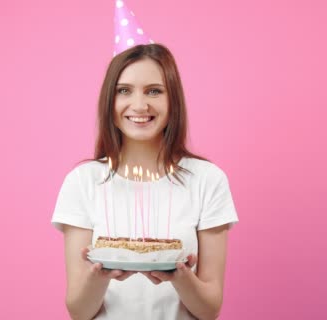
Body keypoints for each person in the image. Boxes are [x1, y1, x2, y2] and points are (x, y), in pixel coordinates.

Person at [51, 44, 238, 320]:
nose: (139, 105)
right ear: (109, 101)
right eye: (124, 90)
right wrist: (100, 275)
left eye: (154, 90)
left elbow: (210, 309)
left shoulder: (207, 180)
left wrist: (179, 275)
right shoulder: (83, 181)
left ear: (173, 99)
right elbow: (78, 311)